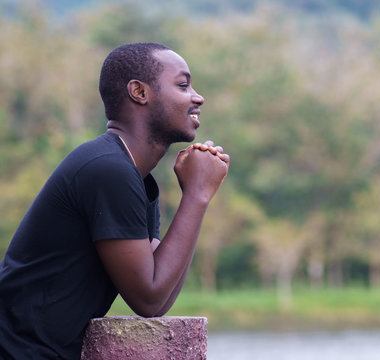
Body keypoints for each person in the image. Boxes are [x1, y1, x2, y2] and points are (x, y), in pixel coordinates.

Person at [0, 42, 230, 359]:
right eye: (182, 84)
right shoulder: (107, 170)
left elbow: (159, 297)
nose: (197, 96)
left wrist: (196, 194)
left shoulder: (136, 179)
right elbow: (148, 298)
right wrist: (196, 195)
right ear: (139, 92)